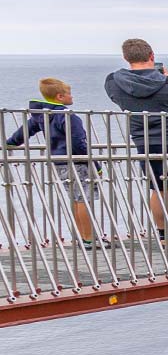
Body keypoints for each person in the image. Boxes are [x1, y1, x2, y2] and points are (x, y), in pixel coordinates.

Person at [105, 37, 168, 251]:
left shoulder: (114, 81)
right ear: (152, 56)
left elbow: (118, 100)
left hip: (144, 141)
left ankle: (163, 238)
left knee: (157, 189)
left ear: (126, 58)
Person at [7, 78, 101, 246]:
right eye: (69, 94)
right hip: (77, 162)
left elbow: (24, 131)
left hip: (59, 162)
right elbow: (78, 142)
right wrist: (95, 164)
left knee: (75, 198)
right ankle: (89, 238)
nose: (72, 97)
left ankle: (82, 237)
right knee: (84, 200)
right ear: (59, 96)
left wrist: (11, 143)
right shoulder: (67, 116)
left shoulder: (42, 116)